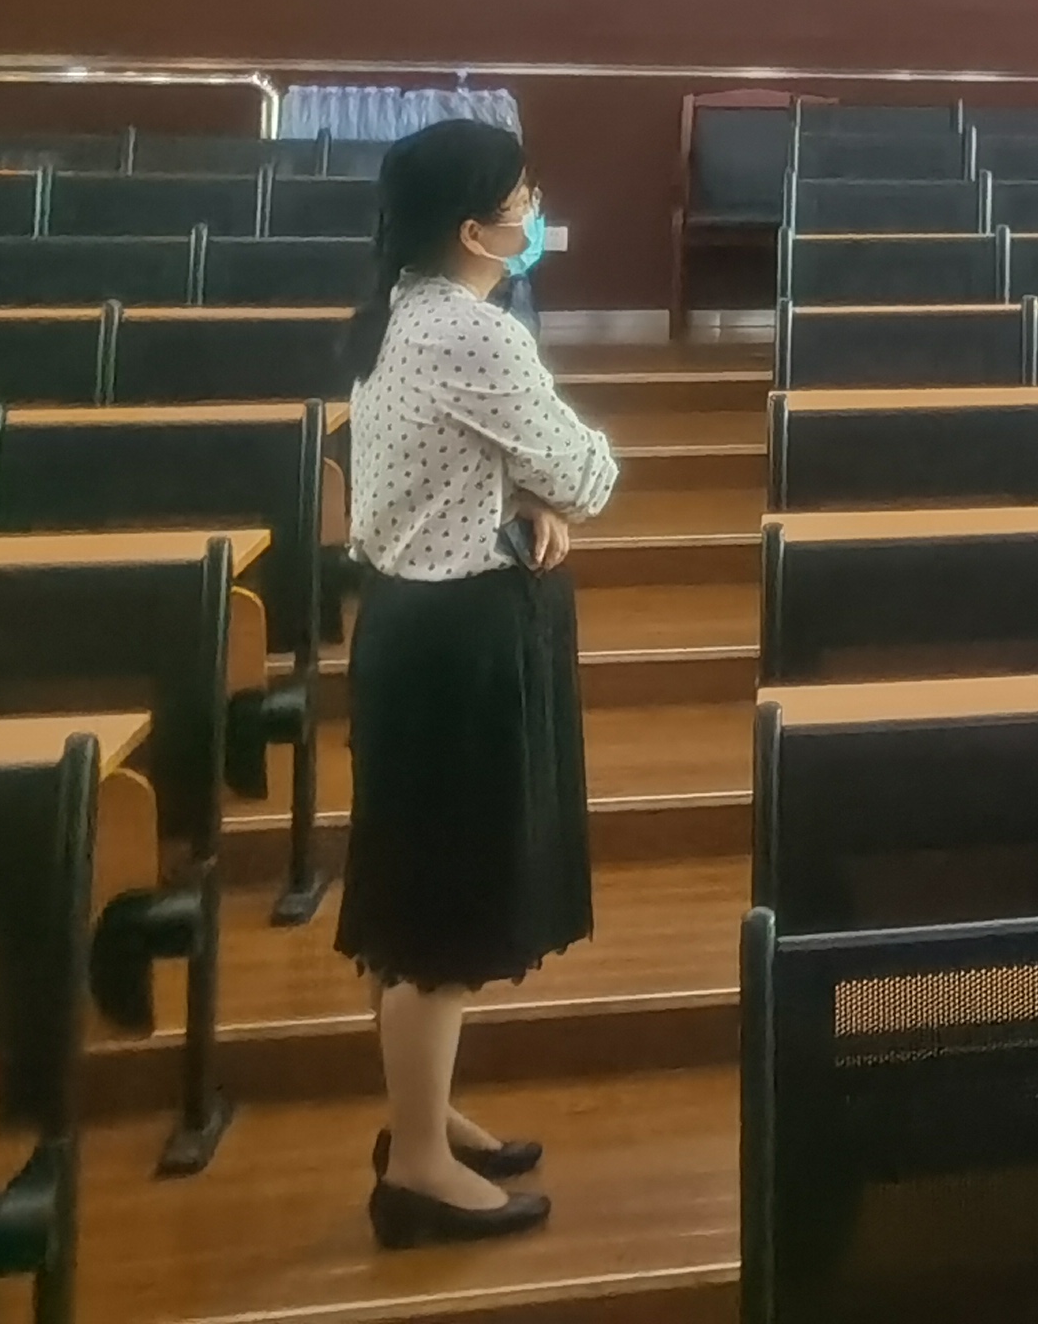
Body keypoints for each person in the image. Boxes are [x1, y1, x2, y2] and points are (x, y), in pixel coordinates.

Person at [335, 120, 618, 1249]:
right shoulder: (475, 333)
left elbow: (485, 470)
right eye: (521, 198)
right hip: (457, 643)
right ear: (473, 228)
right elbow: (588, 472)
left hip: (406, 624)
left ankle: (424, 1114)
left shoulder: (399, 312)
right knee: (438, 913)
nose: (535, 212)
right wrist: (555, 494)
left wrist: (526, 498)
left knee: (411, 898)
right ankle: (415, 1168)